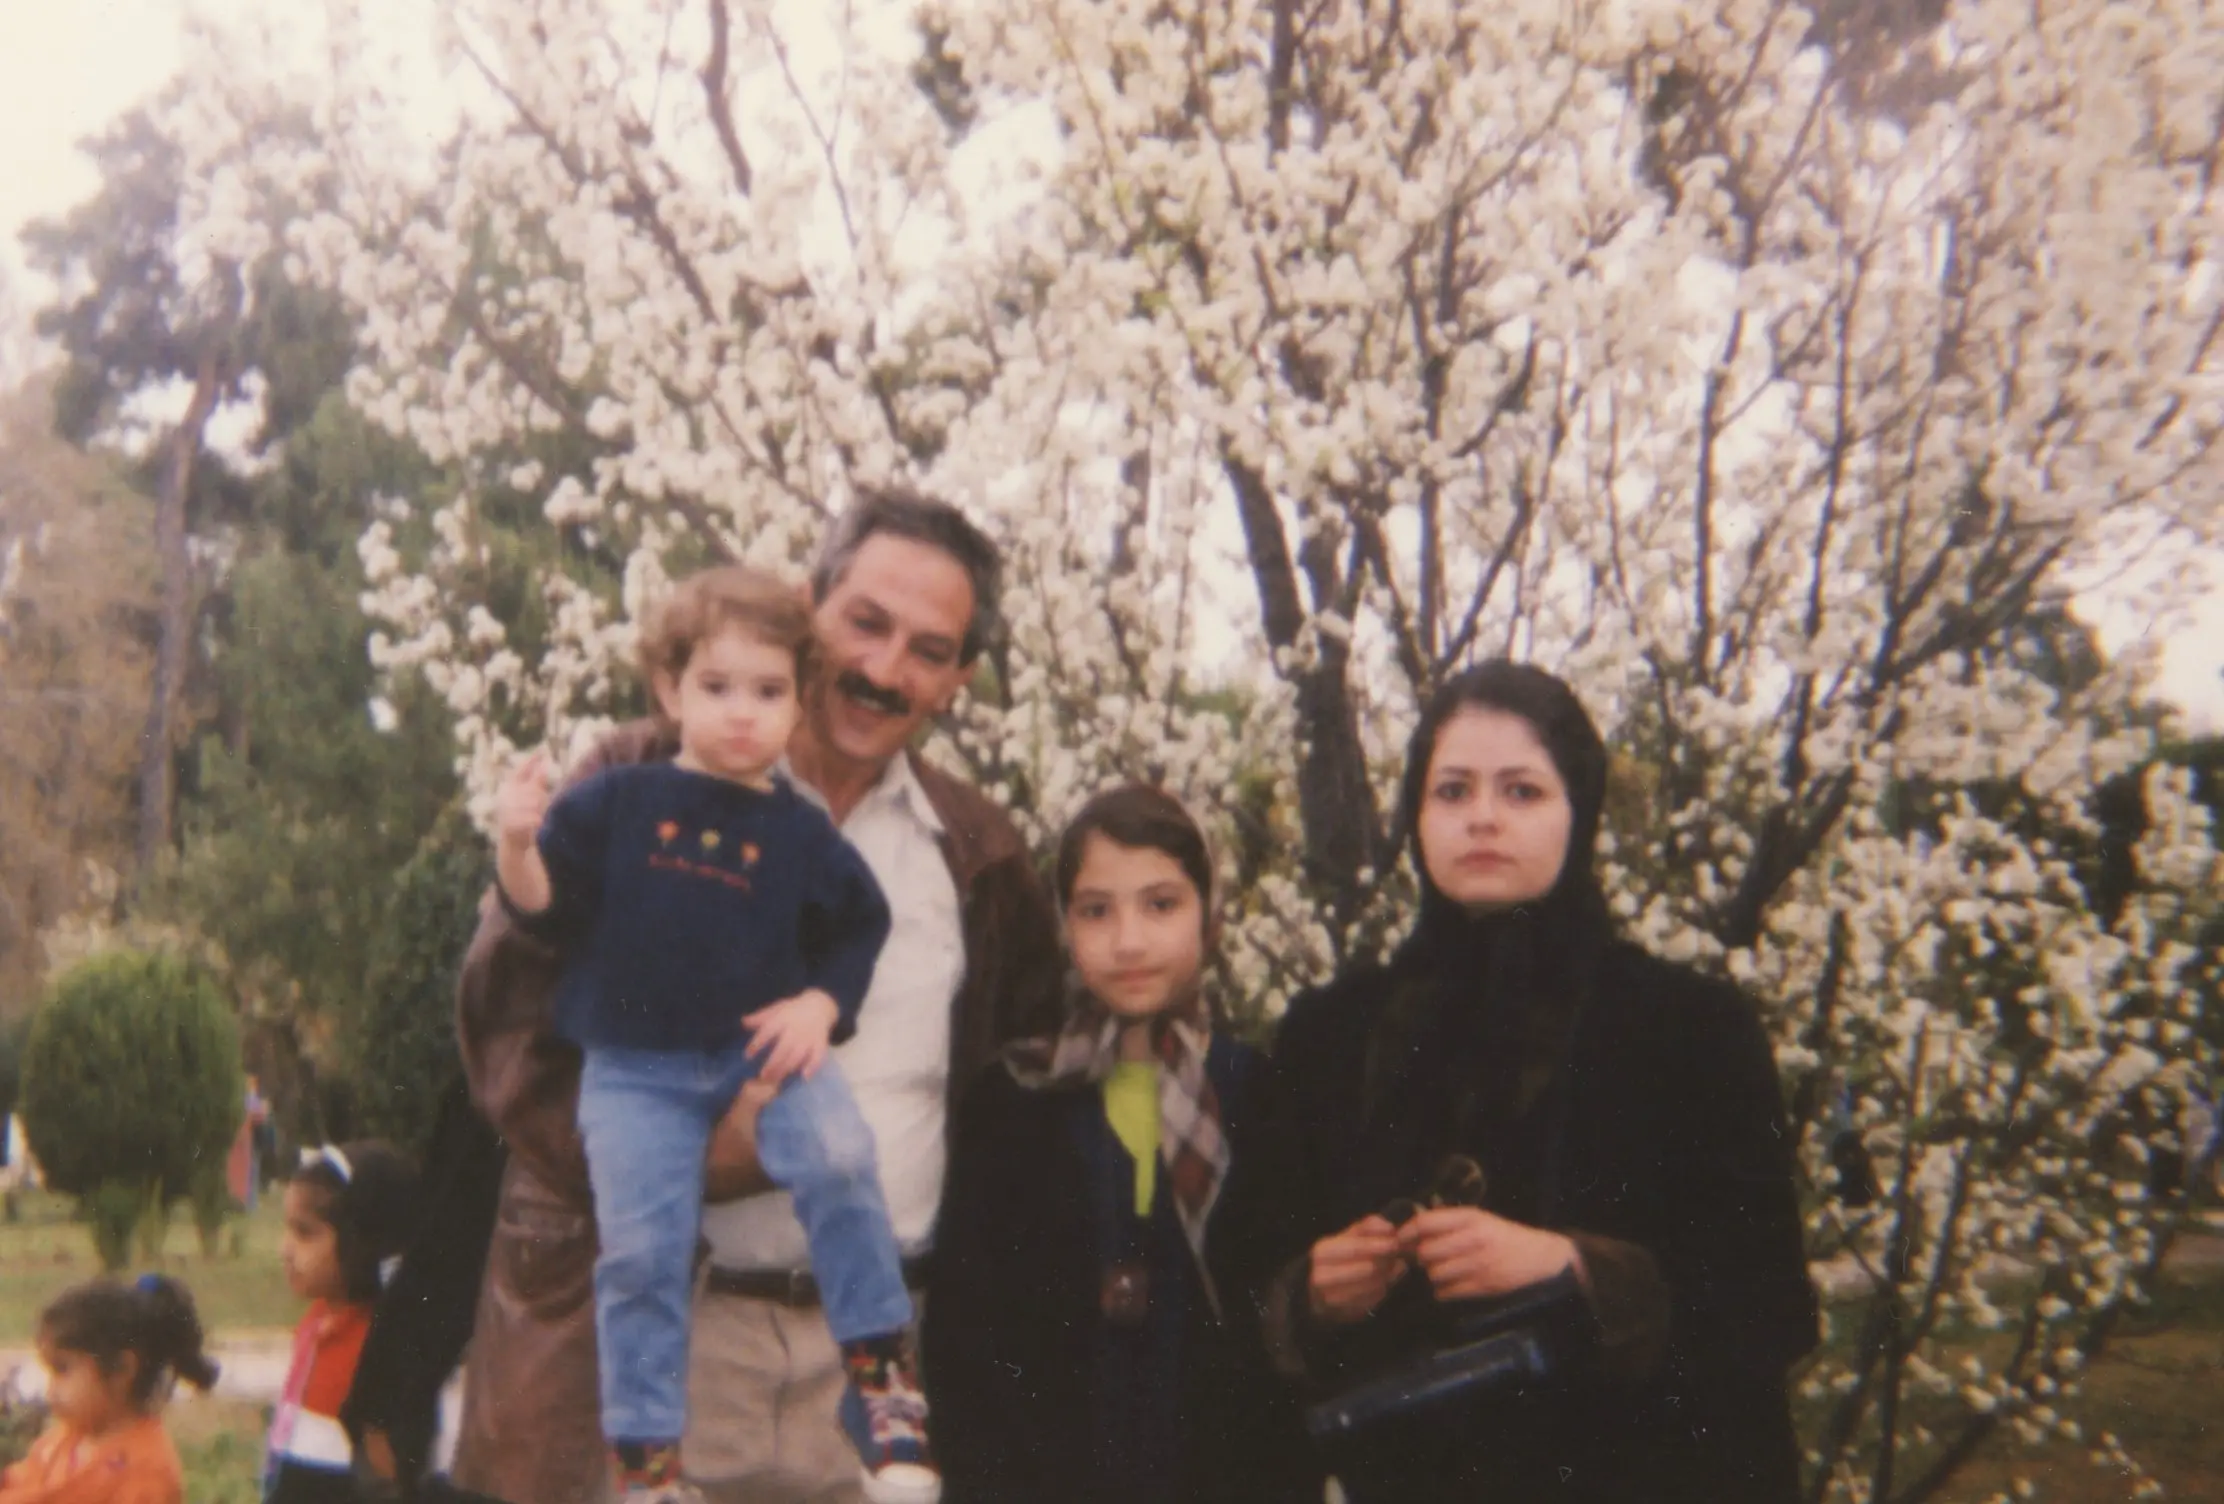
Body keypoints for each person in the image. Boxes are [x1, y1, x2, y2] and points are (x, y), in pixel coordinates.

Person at [450, 485, 1065, 1504]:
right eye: (865, 622)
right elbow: (505, 1030)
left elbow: (1021, 1107)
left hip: (874, 1371)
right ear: (805, 609)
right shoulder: (633, 782)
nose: (884, 669)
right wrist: (690, 1154)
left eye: (928, 649)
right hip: (685, 1338)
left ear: (959, 679)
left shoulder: (980, 857)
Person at [1236, 660, 1820, 1502]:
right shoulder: (1329, 1037)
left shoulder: (1689, 1028)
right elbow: (1247, 1287)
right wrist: (1315, 1293)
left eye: (1521, 791)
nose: (1483, 817)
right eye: (1452, 791)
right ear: (1415, 816)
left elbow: (1770, 1306)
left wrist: (1573, 1267)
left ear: (1578, 811)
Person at [491, 564, 931, 1504]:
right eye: (717, 686)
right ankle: (648, 1463)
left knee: (842, 1158)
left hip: (760, 1051)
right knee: (640, 1256)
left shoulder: (800, 832)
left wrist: (820, 1007)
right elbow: (543, 908)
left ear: (799, 704)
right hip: (634, 1071)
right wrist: (517, 844)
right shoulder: (620, 800)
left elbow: (861, 924)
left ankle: (882, 1382)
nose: (741, 713)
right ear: (670, 689)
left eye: (769, 692)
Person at [923, 786, 1318, 1504]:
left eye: (1161, 905)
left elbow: (1279, 1335)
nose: (1128, 941)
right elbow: (967, 1345)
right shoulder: (1015, 1100)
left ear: (1209, 915)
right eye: (1096, 910)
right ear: (1064, 922)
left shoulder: (1256, 1097)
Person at [265, 1140, 421, 1504]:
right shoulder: (315, 1324)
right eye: (287, 1230)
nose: (284, 1250)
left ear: (364, 1241)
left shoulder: (377, 1350)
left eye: (305, 1233)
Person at [0, 1275, 218, 1504]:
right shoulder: (60, 1442)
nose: (51, 1389)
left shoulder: (146, 1471)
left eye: (63, 1370)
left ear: (122, 1368)